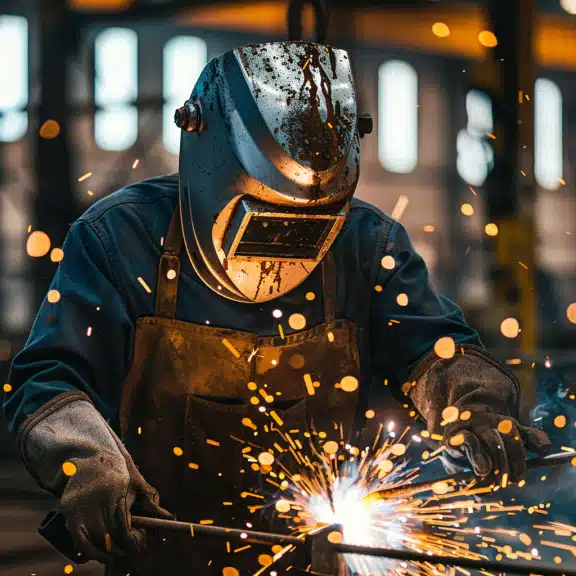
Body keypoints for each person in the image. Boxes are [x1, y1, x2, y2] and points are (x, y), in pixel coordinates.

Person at [3, 41, 550, 575]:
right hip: (161, 553)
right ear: (212, 166)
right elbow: (48, 380)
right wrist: (89, 464)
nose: (286, 244)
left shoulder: (367, 244)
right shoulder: (119, 239)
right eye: (266, 217)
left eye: (315, 223)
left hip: (320, 554)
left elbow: (435, 354)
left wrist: (477, 405)